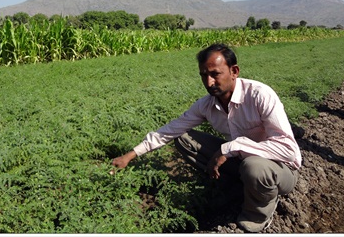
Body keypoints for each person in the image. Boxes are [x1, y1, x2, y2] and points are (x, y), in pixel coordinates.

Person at [112, 43, 301, 233]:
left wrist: (230, 148)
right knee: (184, 138)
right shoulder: (207, 104)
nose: (209, 82)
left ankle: (259, 213)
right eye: (204, 75)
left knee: (253, 166)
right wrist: (130, 155)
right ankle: (233, 185)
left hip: (279, 168)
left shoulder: (259, 95)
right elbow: (170, 130)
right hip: (240, 162)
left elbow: (288, 150)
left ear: (234, 71)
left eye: (215, 74)